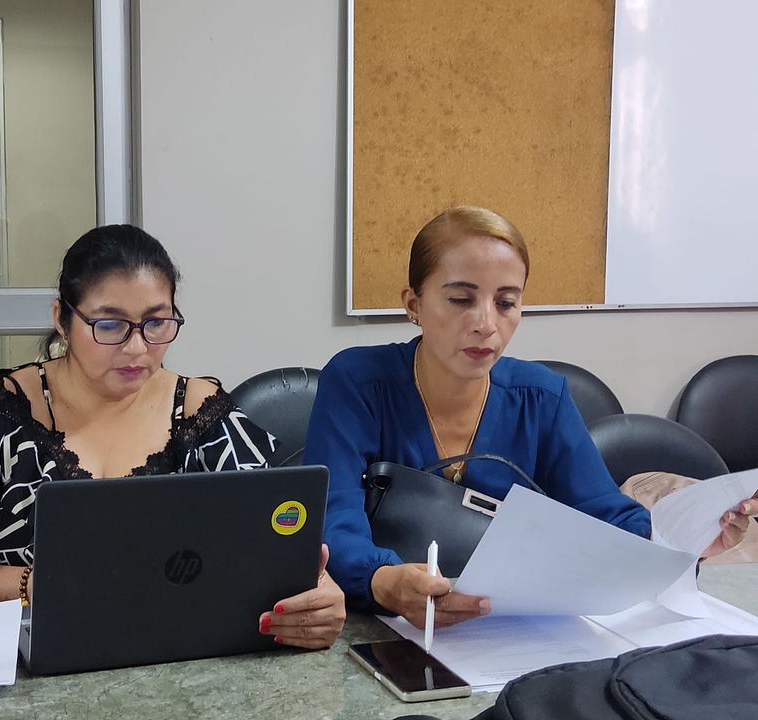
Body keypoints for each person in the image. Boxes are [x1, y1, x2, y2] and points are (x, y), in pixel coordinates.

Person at [303, 205, 757, 630]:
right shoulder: (357, 381)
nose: (486, 323)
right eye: (460, 299)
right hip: (380, 625)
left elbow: (604, 514)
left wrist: (682, 543)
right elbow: (333, 516)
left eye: (505, 303)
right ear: (413, 304)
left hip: (507, 630)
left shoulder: (541, 396)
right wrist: (382, 580)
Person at [0, 224, 345, 650]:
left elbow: (266, 552)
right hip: (26, 659)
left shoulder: (204, 417)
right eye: (110, 325)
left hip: (177, 653)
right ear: (62, 319)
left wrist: (316, 596)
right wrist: (33, 585)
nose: (137, 348)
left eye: (156, 323)